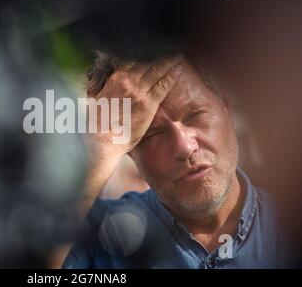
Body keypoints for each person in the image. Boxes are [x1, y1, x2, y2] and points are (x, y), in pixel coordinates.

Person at [62, 53, 290, 268]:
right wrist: (104, 141)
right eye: (154, 134)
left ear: (226, 106)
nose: (185, 147)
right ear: (129, 150)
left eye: (195, 115)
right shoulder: (96, 236)